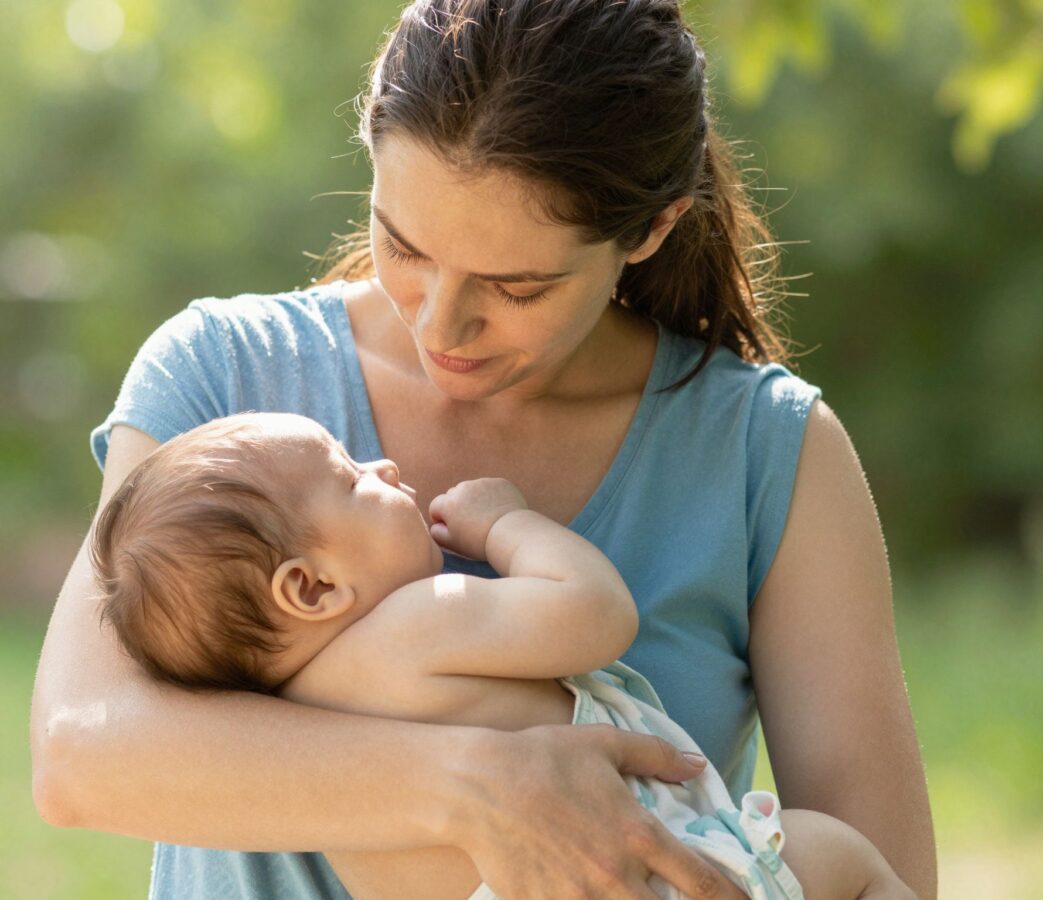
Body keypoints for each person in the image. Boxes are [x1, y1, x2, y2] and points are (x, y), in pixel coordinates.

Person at [30, 1, 938, 898]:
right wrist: (478, 792)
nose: (439, 322)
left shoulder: (764, 452)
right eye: (403, 244)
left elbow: (881, 868)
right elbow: (83, 754)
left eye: (515, 285)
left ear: (652, 229)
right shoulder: (225, 381)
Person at [88, 410, 916, 900]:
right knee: (842, 858)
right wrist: (503, 524)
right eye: (348, 479)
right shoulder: (413, 630)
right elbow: (594, 615)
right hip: (668, 874)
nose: (379, 464)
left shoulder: (294, 741)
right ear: (312, 589)